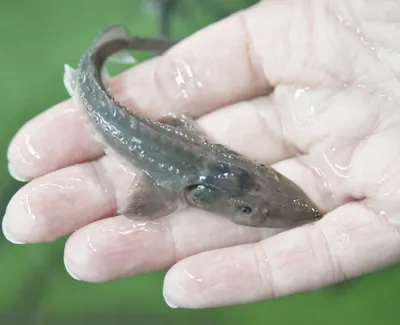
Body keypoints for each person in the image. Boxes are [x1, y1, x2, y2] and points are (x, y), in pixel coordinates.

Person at [3, 0, 400, 309]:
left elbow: (176, 129)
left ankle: (112, 48)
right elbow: (143, 207)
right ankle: (102, 55)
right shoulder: (176, 184)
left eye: (253, 204)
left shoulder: (206, 160)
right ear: (190, 192)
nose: (258, 208)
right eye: (250, 212)